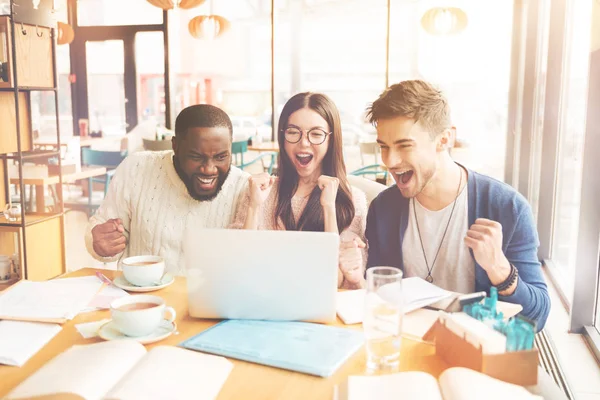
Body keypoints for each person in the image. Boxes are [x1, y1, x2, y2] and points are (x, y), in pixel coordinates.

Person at [364, 80, 550, 329]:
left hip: (474, 352)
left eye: (404, 145)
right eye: (384, 147)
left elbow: (537, 318)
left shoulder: (507, 207)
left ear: (444, 139)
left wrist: (500, 271)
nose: (390, 160)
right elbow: (378, 297)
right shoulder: (383, 209)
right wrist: (358, 278)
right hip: (405, 347)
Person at [85, 104, 249, 275]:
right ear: (175, 146)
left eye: (221, 157)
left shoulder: (243, 188)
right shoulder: (136, 168)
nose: (209, 169)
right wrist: (99, 244)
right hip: (143, 298)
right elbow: (100, 228)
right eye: (196, 157)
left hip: (210, 300)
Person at [231, 92, 368, 289]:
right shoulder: (261, 192)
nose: (304, 142)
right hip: (263, 306)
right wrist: (253, 206)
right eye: (293, 132)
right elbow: (237, 266)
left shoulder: (353, 199)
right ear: (282, 136)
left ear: (331, 140)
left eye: (316, 134)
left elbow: (339, 282)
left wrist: (328, 207)